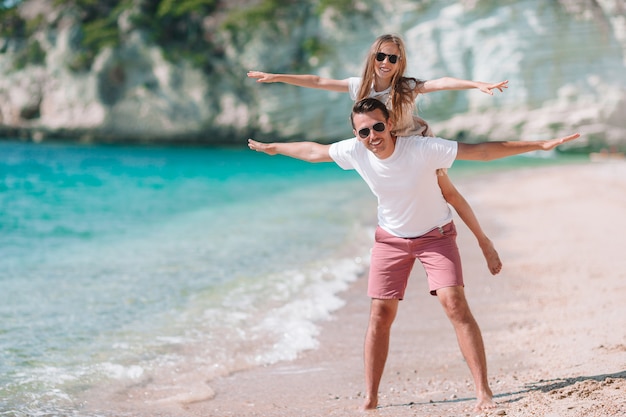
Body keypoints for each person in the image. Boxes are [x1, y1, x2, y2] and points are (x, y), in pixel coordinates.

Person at [248, 97, 580, 412]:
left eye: (377, 127)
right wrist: (273, 148)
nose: (372, 136)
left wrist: (540, 145)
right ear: (356, 135)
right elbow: (312, 150)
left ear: (390, 123)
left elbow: (480, 152)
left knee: (454, 303)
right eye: (363, 131)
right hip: (390, 240)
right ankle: (371, 397)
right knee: (380, 313)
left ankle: (483, 390)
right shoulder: (355, 152)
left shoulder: (422, 150)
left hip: (436, 237)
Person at [248, 33, 506, 275]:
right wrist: (277, 77)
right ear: (373, 57)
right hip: (383, 150)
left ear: (399, 62)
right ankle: (401, 238)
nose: (386, 62)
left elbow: (441, 83)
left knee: (449, 193)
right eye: (381, 56)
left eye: (393, 58)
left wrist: (476, 84)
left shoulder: (406, 87)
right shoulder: (360, 87)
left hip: (414, 149)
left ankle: (484, 242)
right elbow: (318, 81)